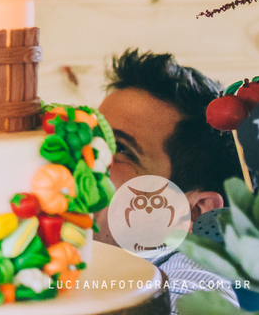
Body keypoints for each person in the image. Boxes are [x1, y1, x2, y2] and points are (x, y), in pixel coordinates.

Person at [96, 49, 241, 314]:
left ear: (193, 212)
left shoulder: (196, 289)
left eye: (121, 149)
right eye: (90, 137)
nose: (85, 159)